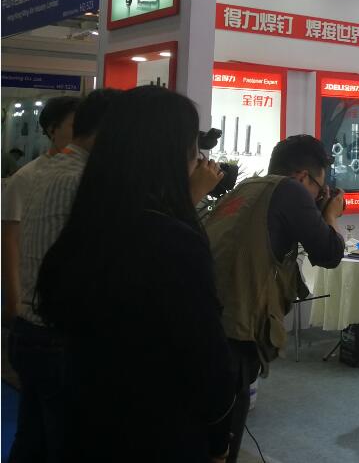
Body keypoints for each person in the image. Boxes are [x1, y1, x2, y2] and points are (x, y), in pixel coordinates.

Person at [35, 86, 236, 462]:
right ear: (170, 154)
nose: (199, 158)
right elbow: (207, 361)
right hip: (158, 433)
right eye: (193, 147)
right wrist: (219, 441)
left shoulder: (88, 223)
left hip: (87, 424)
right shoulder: (173, 241)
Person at [204, 134, 346, 463]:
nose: (318, 196)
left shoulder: (248, 187)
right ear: (302, 176)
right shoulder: (291, 190)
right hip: (236, 326)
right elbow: (328, 253)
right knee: (224, 432)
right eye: (318, 188)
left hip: (210, 315)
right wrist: (331, 214)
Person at [9, 89, 120, 461]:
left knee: (33, 439)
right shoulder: (83, 180)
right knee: (66, 445)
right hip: (60, 338)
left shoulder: (45, 170)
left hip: (34, 331)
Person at [2, 96, 79, 391]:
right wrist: (13, 299)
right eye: (75, 126)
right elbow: (9, 240)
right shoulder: (27, 177)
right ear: (51, 130)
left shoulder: (77, 174)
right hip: (32, 303)